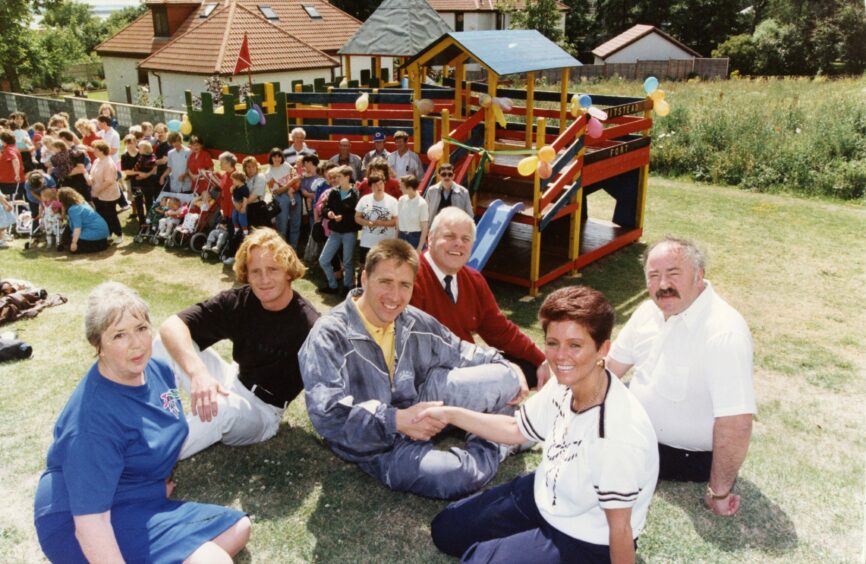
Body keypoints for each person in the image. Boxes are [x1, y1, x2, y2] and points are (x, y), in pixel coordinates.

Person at [424, 285, 659, 563]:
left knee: (476, 560)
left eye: (575, 345)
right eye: (552, 343)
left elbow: (620, 528)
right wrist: (451, 414)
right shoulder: (564, 382)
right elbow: (515, 430)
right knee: (446, 529)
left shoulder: (618, 434)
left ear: (602, 348)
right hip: (546, 493)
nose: (560, 357)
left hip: (587, 536)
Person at [33, 282, 251, 562]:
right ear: (98, 345)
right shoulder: (91, 421)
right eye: (119, 335)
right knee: (212, 558)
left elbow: (155, 434)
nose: (136, 343)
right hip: (80, 519)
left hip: (138, 495)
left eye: (141, 328)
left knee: (237, 528)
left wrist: (153, 483)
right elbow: (91, 523)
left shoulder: (158, 370)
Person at [299, 239, 528, 500]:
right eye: (385, 282)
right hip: (378, 442)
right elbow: (327, 414)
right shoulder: (329, 333)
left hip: (423, 403)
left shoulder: (413, 319)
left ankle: (488, 423)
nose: (395, 296)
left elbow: (460, 350)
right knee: (456, 477)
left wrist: (508, 365)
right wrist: (396, 420)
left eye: (404, 285)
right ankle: (498, 440)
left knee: (506, 377)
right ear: (364, 278)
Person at [606, 236, 756, 517]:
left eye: (673, 274)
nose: (663, 285)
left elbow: (736, 423)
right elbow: (611, 366)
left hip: (681, 454)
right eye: (654, 276)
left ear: (699, 275)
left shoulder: (724, 334)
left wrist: (718, 493)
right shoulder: (648, 311)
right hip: (638, 426)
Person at [153, 228, 319, 459]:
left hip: (262, 412)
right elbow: (171, 325)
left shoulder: (309, 325)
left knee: (218, 410)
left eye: (273, 269)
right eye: (255, 272)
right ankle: (153, 420)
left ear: (288, 272)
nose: (264, 279)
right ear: (246, 275)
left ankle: (151, 459)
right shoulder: (240, 301)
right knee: (164, 343)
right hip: (232, 381)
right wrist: (199, 373)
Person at [410, 207, 547, 388]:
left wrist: (542, 361)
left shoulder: (473, 279)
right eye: (449, 236)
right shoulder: (410, 279)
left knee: (532, 369)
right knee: (506, 377)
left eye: (466, 239)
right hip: (430, 376)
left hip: (466, 366)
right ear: (430, 238)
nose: (458, 243)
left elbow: (500, 331)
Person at [317, 165, 360, 295]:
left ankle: (348, 286)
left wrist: (344, 217)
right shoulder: (334, 192)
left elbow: (357, 215)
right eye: (336, 177)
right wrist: (328, 213)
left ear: (347, 177)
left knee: (347, 262)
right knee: (323, 260)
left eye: (339, 177)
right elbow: (325, 208)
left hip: (349, 232)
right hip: (335, 232)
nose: (336, 179)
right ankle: (333, 285)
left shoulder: (355, 194)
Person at [354, 171, 398, 285]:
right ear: (371, 186)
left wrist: (383, 223)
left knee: (384, 270)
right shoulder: (364, 199)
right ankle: (360, 291)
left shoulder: (392, 201)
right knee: (364, 268)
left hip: (385, 242)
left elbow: (396, 221)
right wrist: (366, 222)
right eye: (375, 185)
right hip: (367, 241)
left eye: (380, 184)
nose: (379, 187)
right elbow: (357, 217)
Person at [89, 140, 123, 244]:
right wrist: (90, 179)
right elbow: (92, 173)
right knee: (102, 215)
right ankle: (108, 233)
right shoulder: (96, 161)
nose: (93, 150)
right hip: (97, 193)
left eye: (96, 149)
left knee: (111, 214)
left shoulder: (108, 163)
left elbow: (109, 181)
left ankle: (119, 234)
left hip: (108, 194)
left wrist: (97, 191)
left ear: (102, 151)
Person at [57, 187, 109, 254]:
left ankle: (96, 245)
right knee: (68, 230)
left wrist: (74, 243)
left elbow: (77, 227)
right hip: (102, 233)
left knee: (72, 248)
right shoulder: (82, 203)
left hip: (95, 232)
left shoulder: (73, 209)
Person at [264, 147, 296, 241]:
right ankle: (282, 242)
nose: (277, 159)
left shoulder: (286, 165)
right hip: (280, 197)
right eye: (274, 157)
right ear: (271, 158)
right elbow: (275, 191)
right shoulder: (268, 172)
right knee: (282, 223)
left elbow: (295, 175)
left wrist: (291, 185)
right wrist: (289, 184)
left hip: (292, 191)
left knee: (295, 220)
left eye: (279, 157)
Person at [396, 174, 428, 253]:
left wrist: (420, 247)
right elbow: (398, 222)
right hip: (402, 237)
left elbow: (424, 227)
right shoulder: (401, 200)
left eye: (402, 187)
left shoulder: (422, 203)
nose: (400, 189)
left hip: (415, 239)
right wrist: (396, 239)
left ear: (410, 188)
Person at [0, 130, 22, 198]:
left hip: (8, 180)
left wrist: (17, 175)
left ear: (3, 141)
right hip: (9, 180)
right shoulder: (12, 148)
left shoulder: (9, 150)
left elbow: (15, 160)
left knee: (9, 201)